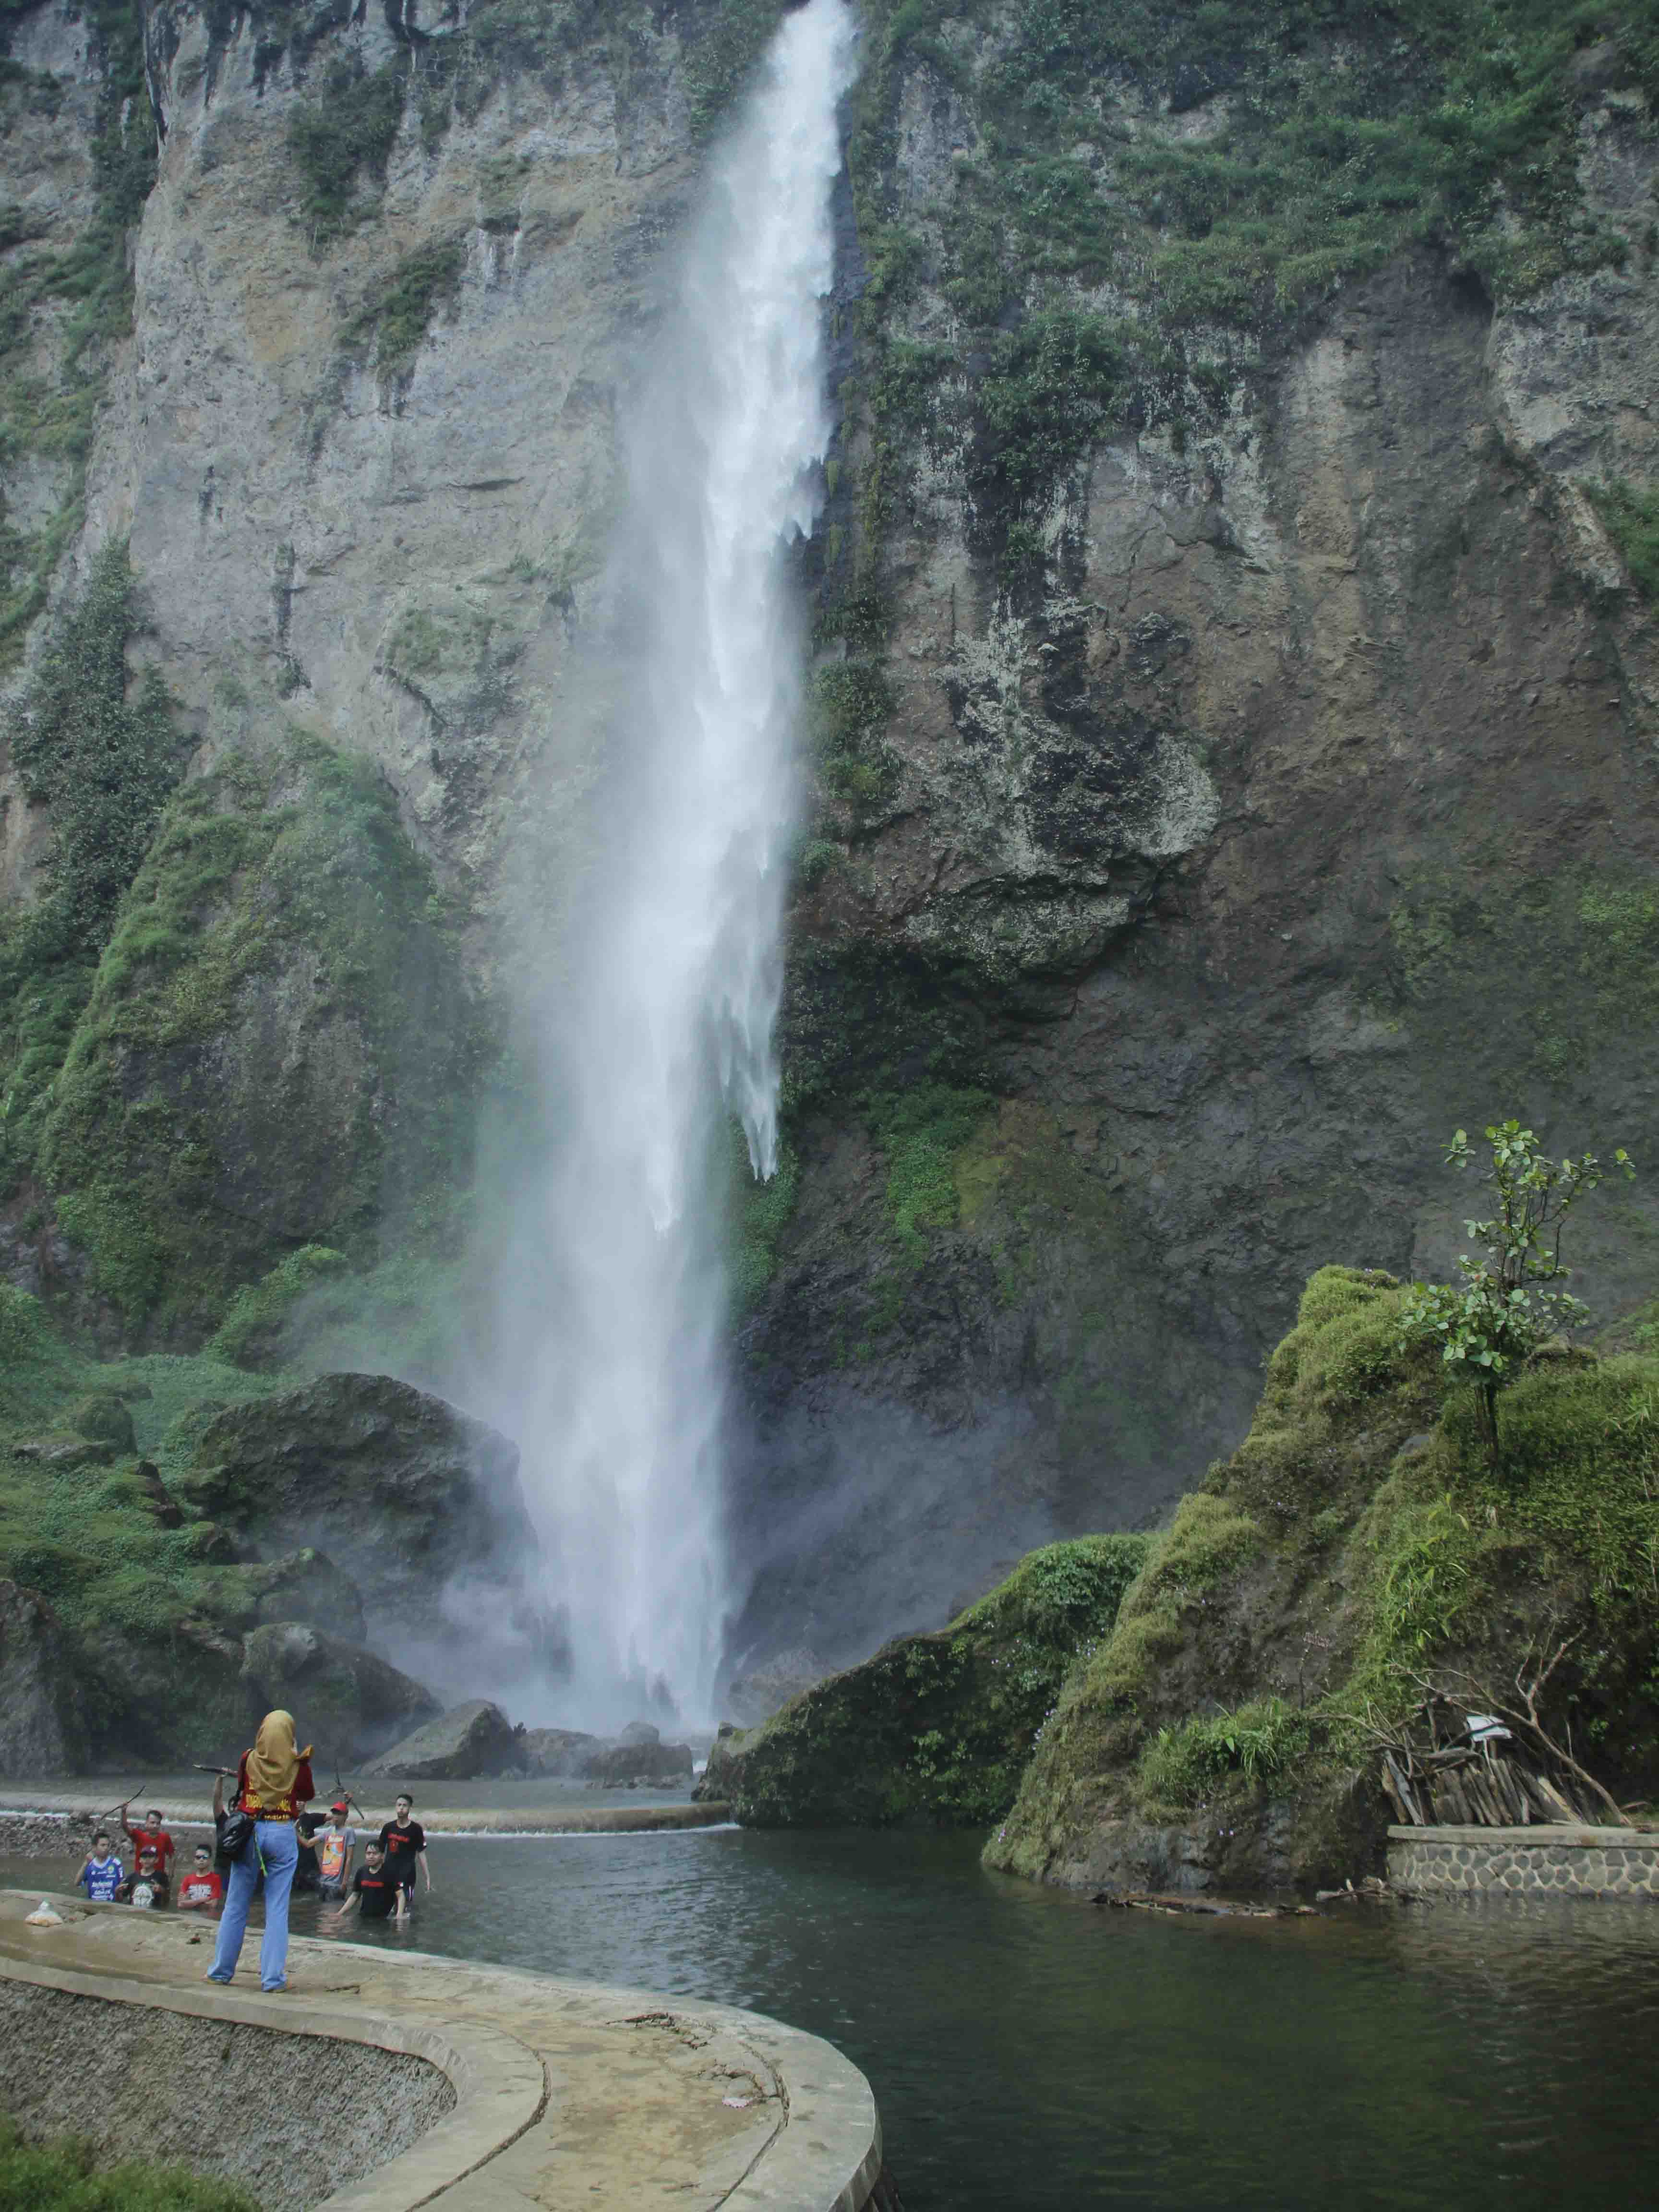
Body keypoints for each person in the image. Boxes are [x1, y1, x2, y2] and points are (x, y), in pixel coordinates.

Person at [208, 1708, 314, 1994]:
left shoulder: (248, 1758)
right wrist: (296, 1759)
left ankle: (221, 1972)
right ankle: (272, 1980)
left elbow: (243, 1789)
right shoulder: (298, 1763)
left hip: (250, 1832)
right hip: (282, 1832)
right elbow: (307, 1795)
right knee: (277, 1908)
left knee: (235, 1905)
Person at [378, 1794, 430, 1913]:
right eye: (399, 1805)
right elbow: (379, 1851)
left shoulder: (416, 1829)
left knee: (405, 1909)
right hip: (389, 1874)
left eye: (404, 1805)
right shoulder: (388, 1828)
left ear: (410, 1808)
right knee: (388, 1909)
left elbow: (421, 1853)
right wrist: (377, 1871)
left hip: (407, 1875)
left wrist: (427, 1877)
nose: (401, 1808)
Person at [331, 1838, 399, 1926]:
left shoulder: (389, 1872)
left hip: (384, 1920)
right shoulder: (362, 1871)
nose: (371, 1856)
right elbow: (355, 1895)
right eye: (368, 1854)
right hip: (364, 1917)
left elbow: (400, 1895)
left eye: (375, 1854)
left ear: (382, 1856)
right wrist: (340, 1913)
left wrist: (399, 1916)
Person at [120, 1802, 176, 1880]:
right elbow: (125, 1827)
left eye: (158, 1823)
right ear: (146, 1823)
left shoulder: (165, 1837)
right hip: (140, 1878)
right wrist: (123, 1812)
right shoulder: (139, 1835)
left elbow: (172, 1857)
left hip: (159, 1879)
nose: (155, 1826)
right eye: (153, 1823)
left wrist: (170, 1876)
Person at [315, 1801, 356, 1898]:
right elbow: (309, 1844)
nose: (336, 1817)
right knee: (321, 1911)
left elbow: (349, 1859)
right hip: (323, 1881)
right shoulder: (329, 1831)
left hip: (336, 1885)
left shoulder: (348, 1831)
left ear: (346, 1816)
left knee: (333, 1910)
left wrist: (344, 1883)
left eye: (339, 1814)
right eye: (334, 1814)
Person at [118, 1844, 170, 1909]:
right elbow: (120, 1900)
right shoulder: (132, 1877)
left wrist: (162, 1891)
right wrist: (117, 1891)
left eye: (150, 1857)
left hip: (154, 1914)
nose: (147, 1859)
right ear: (140, 1860)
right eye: (144, 1857)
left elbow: (167, 1902)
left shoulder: (162, 1877)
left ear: (157, 1860)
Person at [77, 1831, 123, 1903]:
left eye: (108, 1845)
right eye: (103, 1845)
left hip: (113, 1905)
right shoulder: (90, 1864)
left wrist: (119, 1891)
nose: (106, 1848)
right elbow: (77, 1883)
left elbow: (123, 1887)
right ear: (94, 1847)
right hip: (94, 1905)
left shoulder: (116, 1863)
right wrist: (85, 1863)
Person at [176, 1843, 223, 1912]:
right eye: (198, 1857)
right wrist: (204, 1900)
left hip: (206, 1920)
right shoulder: (187, 1879)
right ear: (195, 1860)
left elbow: (213, 1905)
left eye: (205, 1857)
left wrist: (189, 1902)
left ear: (210, 1860)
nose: (201, 1860)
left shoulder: (216, 1879)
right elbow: (180, 1904)